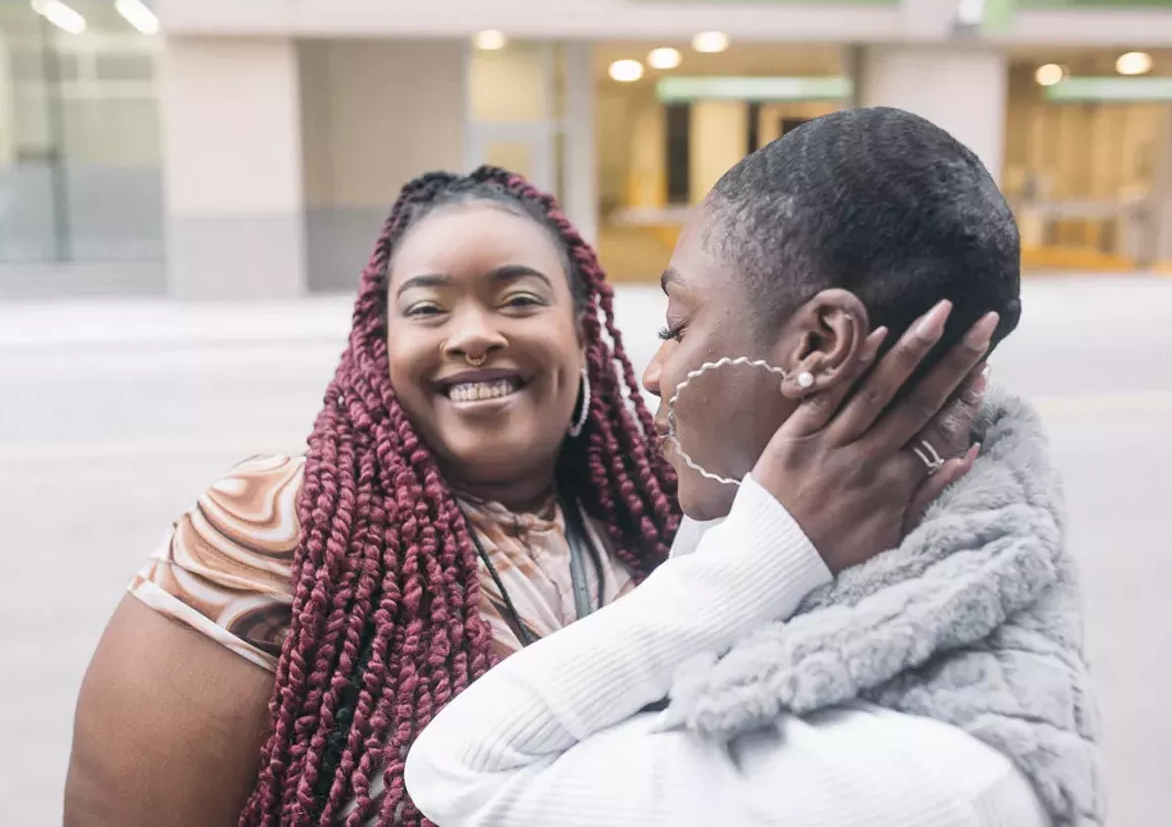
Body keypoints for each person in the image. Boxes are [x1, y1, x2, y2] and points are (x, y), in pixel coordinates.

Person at [64, 165, 980, 826]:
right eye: (426, 309)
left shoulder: (676, 518)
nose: (471, 335)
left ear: (585, 333)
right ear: (374, 352)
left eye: (516, 299)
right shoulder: (270, 531)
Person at [404, 109, 1102, 826]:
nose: (652, 371)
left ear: (822, 344)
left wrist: (770, 553)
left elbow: (461, 770)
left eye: (677, 325)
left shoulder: (911, 782)